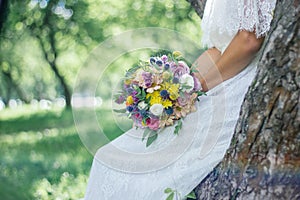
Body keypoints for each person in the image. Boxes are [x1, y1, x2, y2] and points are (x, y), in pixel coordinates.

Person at [84, 0, 277, 199]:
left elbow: (249, 40)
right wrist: (180, 86)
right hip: (222, 77)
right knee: (108, 159)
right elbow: (218, 49)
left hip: (245, 80)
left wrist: (195, 90)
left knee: (114, 162)